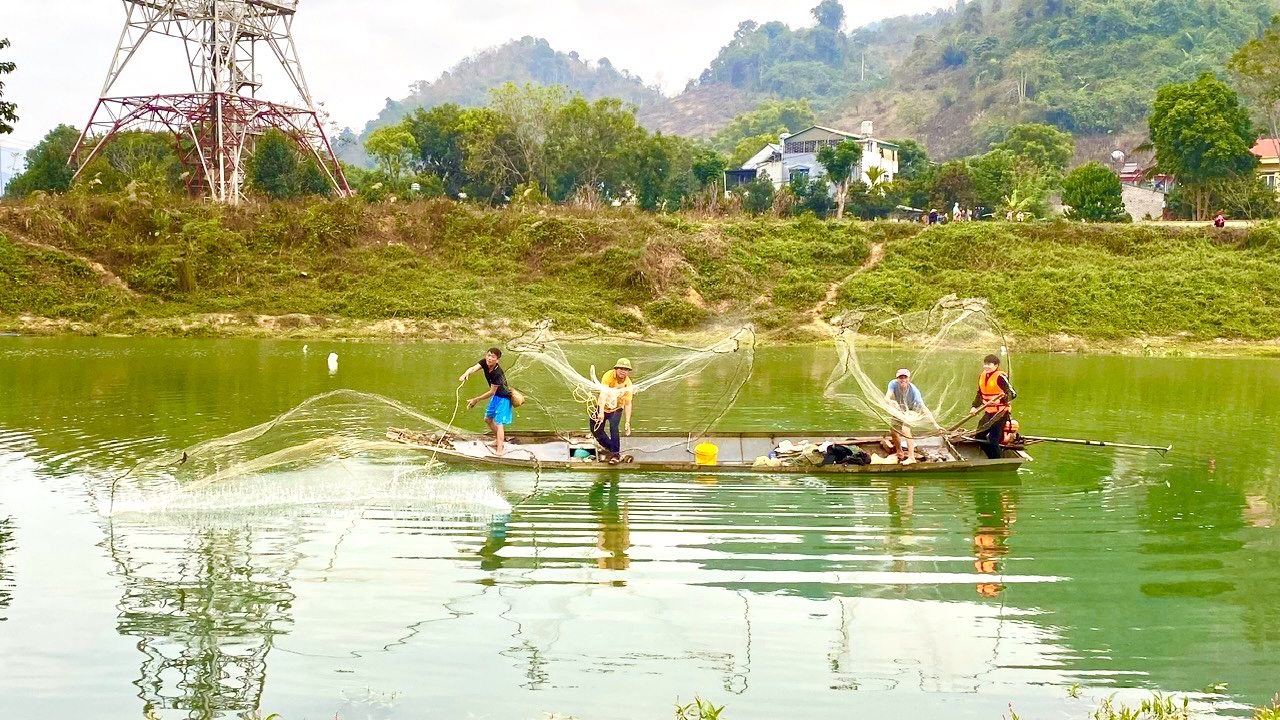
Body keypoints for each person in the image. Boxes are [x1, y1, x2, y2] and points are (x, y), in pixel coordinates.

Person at [458, 347, 513, 454]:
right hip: (496, 396)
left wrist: (476, 399)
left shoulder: (497, 373)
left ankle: (500, 450)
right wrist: (466, 373)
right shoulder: (484, 363)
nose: (489, 358)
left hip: (503, 398)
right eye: (488, 355)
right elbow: (473, 368)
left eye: (493, 357)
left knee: (499, 423)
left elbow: (492, 392)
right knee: (488, 419)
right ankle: (498, 440)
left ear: (497, 360)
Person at [884, 368, 942, 465]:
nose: (903, 380)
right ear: (897, 379)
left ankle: (911, 457)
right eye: (900, 378)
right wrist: (891, 402)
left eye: (905, 377)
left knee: (905, 429)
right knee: (893, 431)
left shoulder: (914, 391)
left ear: (909, 379)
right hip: (900, 408)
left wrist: (935, 424)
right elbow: (886, 398)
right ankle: (899, 452)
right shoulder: (893, 384)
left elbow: (924, 409)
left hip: (913, 409)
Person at [967, 354, 1015, 459]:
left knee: (994, 439)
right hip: (989, 412)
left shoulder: (1000, 377)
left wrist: (1000, 400)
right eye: (985, 364)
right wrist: (974, 406)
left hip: (1000, 413)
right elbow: (980, 393)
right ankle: (992, 457)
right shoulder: (982, 376)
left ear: (996, 365)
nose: (986, 367)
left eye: (989, 364)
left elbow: (1012, 394)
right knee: (979, 436)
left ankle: (997, 460)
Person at [591, 358, 634, 464]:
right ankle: (612, 449)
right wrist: (601, 412)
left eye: (626, 369)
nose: (623, 371)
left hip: (617, 408)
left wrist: (627, 422)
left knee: (614, 428)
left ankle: (615, 455)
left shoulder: (628, 384)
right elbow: (603, 395)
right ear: (616, 369)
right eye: (621, 368)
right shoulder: (608, 376)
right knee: (595, 429)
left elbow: (628, 403)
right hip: (603, 406)